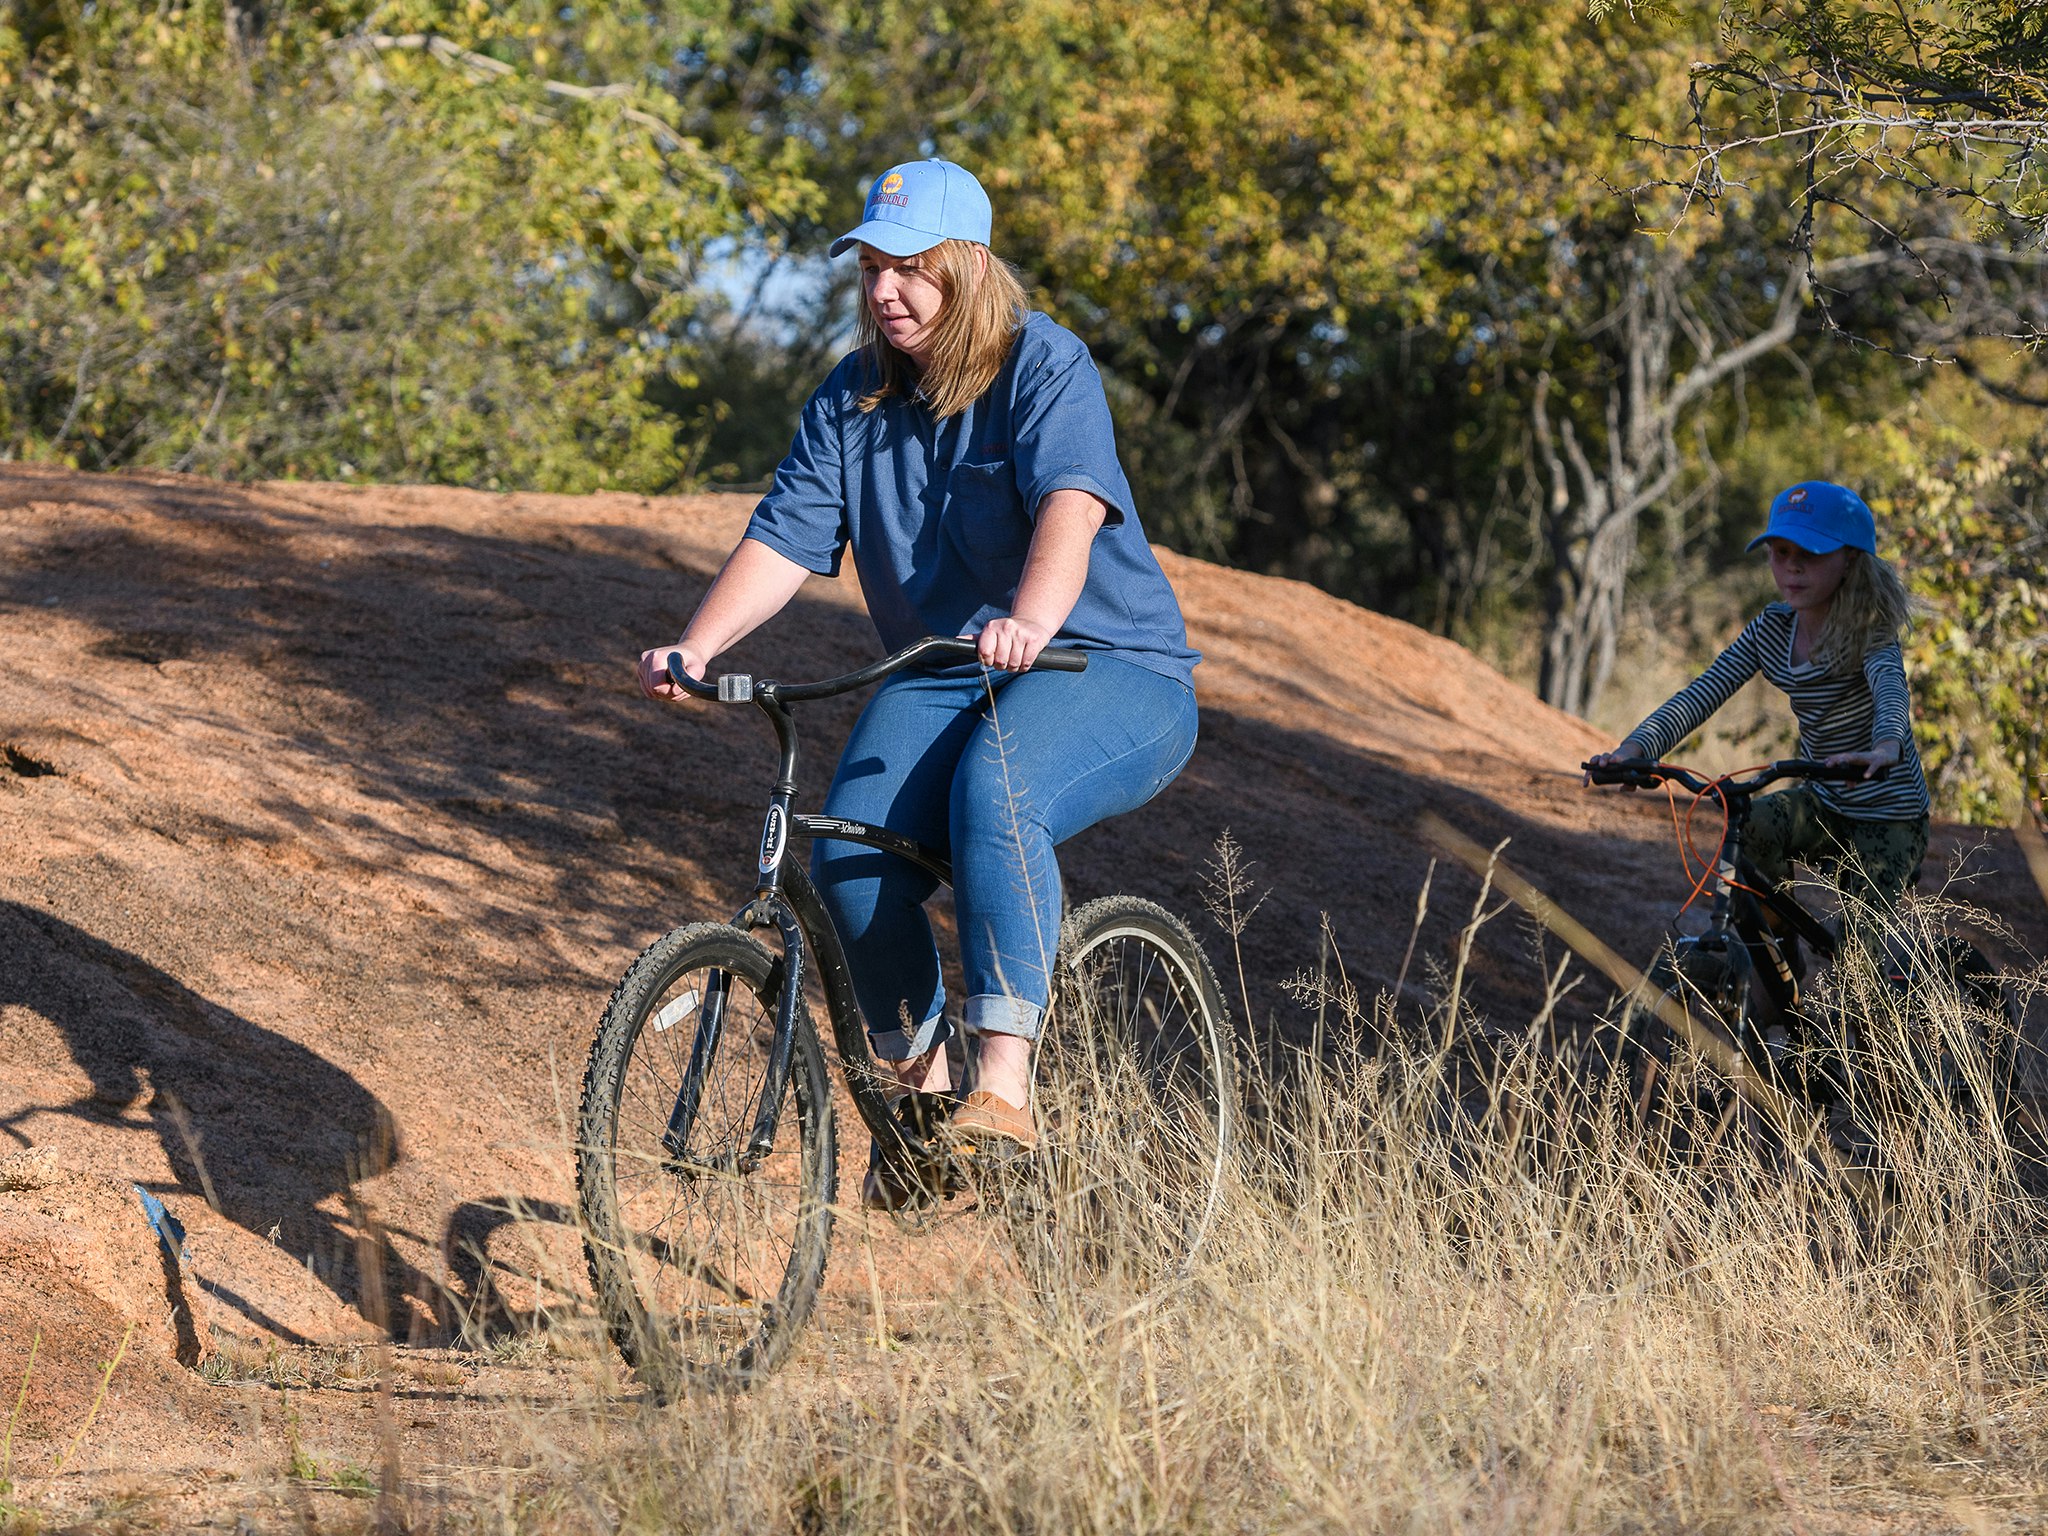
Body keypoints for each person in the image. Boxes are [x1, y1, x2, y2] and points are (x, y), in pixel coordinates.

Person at [634, 158, 1201, 1204]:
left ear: (968, 267)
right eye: (870, 269)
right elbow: (785, 540)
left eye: (909, 268)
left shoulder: (1044, 363)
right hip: (945, 672)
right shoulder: (850, 397)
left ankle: (1003, 1086)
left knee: (1000, 788)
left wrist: (1031, 620)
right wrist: (697, 647)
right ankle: (931, 1114)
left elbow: (1071, 504)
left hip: (1106, 663)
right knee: (847, 861)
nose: (884, 290)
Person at [1588, 481, 1931, 933]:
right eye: (1780, 552)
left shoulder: (1870, 630)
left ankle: (1891, 974)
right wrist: (1634, 750)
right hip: (1824, 802)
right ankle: (1776, 958)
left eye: (1810, 554)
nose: (1792, 567)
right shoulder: (1771, 630)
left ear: (1849, 559)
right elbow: (1703, 692)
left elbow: (1891, 693)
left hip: (1891, 817)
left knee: (1858, 965)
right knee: (1749, 830)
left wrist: (1885, 748)